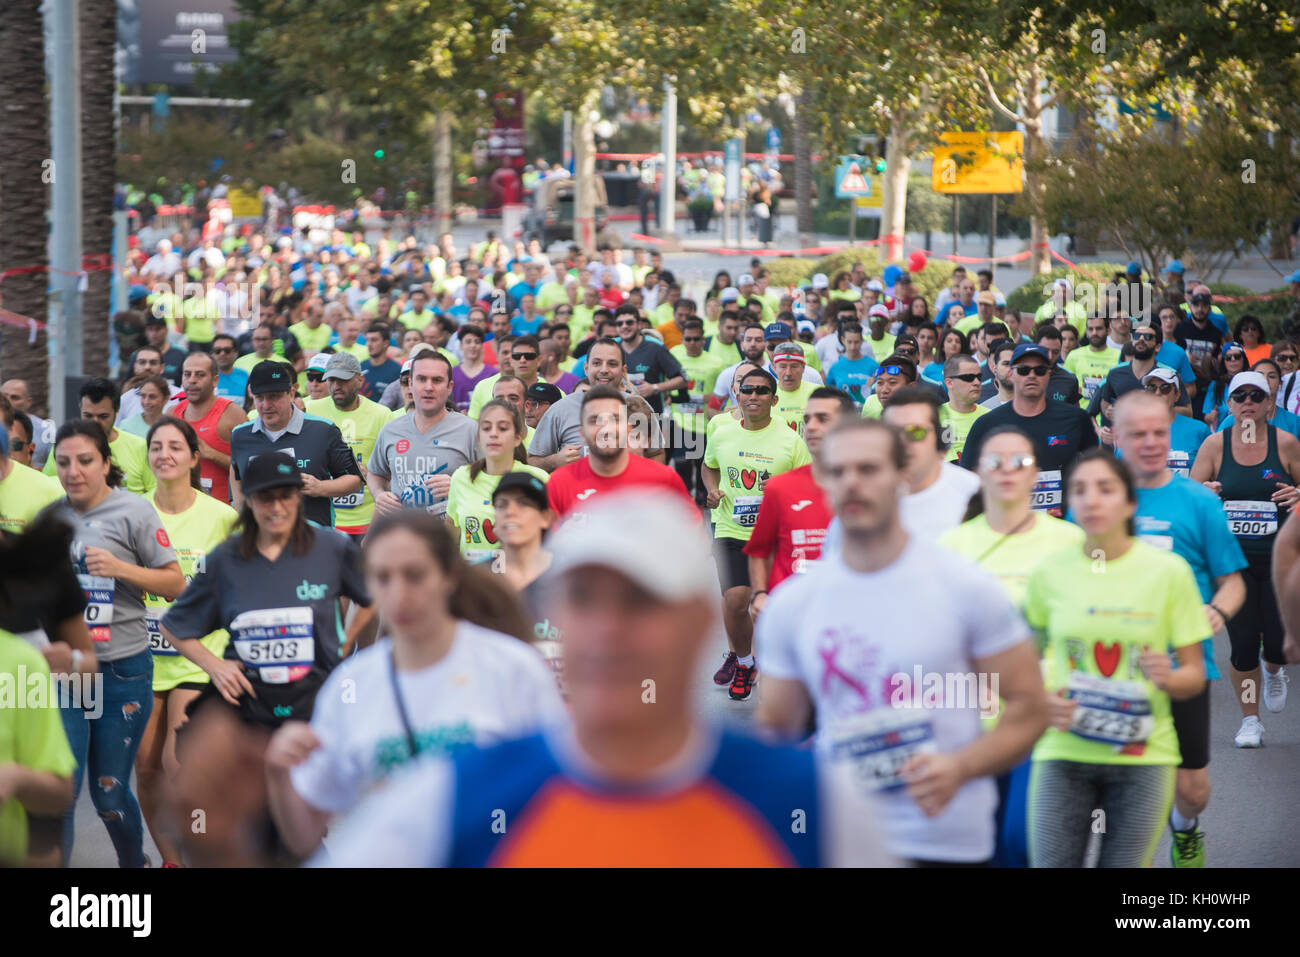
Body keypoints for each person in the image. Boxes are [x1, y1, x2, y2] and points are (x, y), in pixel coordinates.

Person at [314, 490, 894, 867]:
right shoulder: (453, 798)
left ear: (699, 621)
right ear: (556, 613)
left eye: (641, 601)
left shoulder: (816, 804)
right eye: (583, 598)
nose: (607, 629)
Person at [755, 417, 1047, 865]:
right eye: (838, 471)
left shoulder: (965, 586)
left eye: (869, 469)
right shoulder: (792, 604)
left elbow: (1030, 706)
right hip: (842, 844)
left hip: (948, 843)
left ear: (902, 477)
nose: (852, 482)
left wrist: (961, 766)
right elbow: (776, 735)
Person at [263, 510, 562, 858]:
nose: (399, 594)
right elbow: (307, 836)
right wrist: (279, 774)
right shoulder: (351, 686)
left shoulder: (512, 670)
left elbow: (559, 792)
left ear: (449, 575)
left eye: (414, 576)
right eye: (383, 578)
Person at [157, 452, 370, 865]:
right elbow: (174, 625)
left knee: (297, 823)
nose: (277, 507)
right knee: (236, 814)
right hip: (249, 709)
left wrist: (346, 645)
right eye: (265, 498)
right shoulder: (227, 558)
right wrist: (215, 666)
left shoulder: (331, 546)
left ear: (298, 495)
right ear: (249, 501)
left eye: (286, 496)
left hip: (311, 708)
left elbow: (376, 596)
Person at [1025, 451, 1209, 867]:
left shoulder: (1169, 572)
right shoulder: (1048, 573)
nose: (1091, 500)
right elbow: (1026, 662)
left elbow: (1195, 675)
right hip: (1063, 752)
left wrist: (1169, 678)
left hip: (1142, 757)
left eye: (1105, 489)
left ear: (1129, 502)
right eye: (1079, 490)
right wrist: (1041, 697)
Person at [1111, 391, 1246, 867]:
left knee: (1192, 790)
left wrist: (1219, 613)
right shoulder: (1096, 496)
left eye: (1159, 433)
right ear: (1115, 436)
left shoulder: (1197, 501)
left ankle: (1184, 828)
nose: (1150, 443)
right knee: (1127, 788)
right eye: (1137, 434)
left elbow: (1232, 582)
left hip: (1184, 664)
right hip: (1111, 667)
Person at [939, 425, 1084, 867]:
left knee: (1025, 839)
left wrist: (1076, 688)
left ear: (1037, 474)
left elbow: (1086, 627)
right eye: (994, 462)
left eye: (1019, 462)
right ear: (978, 472)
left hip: (1042, 719)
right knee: (984, 844)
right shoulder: (952, 547)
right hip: (970, 723)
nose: (1007, 471)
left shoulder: (1070, 542)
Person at [50, 420, 186, 866]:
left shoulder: (134, 512)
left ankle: (135, 862)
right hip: (67, 672)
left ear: (107, 464)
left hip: (121, 671)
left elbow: (175, 584)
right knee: (62, 791)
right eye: (64, 461)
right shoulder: (50, 518)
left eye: (85, 461)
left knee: (107, 792)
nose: (73, 471)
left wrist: (120, 568)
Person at [136, 416, 239, 868]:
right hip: (138, 657)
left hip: (199, 658)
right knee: (146, 768)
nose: (164, 455)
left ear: (195, 457)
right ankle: (171, 860)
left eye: (175, 447)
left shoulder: (221, 517)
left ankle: (202, 849)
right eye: (156, 446)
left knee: (181, 766)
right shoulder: (129, 510)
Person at [1190, 370, 1300, 748]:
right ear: (1229, 405)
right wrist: (1206, 492)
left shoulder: (1285, 443)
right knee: (1241, 646)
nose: (1248, 403)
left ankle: (1274, 671)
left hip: (1278, 562)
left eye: (1256, 396)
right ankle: (1250, 720)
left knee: (1275, 643)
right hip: (1232, 565)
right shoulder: (1214, 446)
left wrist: (1298, 494)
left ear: (1270, 404)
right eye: (1240, 397)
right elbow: (1192, 497)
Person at [703, 368, 812, 701]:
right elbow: (709, 465)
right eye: (747, 389)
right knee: (735, 601)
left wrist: (780, 489)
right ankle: (745, 661)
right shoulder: (722, 433)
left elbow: (807, 483)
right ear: (738, 395)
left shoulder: (790, 440)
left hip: (774, 533)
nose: (753, 396)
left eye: (762, 391)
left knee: (769, 607)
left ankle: (778, 665)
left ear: (774, 399)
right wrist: (711, 490)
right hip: (730, 527)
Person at [961, 344, 1099, 517]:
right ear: (1011, 374)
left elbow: (1097, 468)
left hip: (1062, 524)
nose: (1032, 375)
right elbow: (968, 479)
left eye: (1040, 370)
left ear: (1049, 374)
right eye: (1024, 370)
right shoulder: (987, 424)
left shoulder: (1075, 418)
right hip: (1007, 525)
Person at [745, 388, 852, 610]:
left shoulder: (874, 489)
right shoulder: (780, 487)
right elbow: (759, 550)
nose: (811, 426)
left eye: (823, 419)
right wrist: (760, 595)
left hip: (844, 611)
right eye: (807, 419)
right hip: (788, 611)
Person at [228, 361, 363, 527]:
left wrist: (321, 487)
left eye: (274, 397)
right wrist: (241, 513)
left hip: (312, 540)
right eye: (260, 398)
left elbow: (356, 480)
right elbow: (236, 474)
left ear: (291, 393)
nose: (266, 405)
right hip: (260, 541)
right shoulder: (240, 435)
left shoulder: (323, 430)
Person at [547, 386, 692, 519]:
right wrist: (562, 537)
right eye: (594, 421)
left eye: (615, 419)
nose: (606, 429)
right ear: (582, 433)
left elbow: (692, 535)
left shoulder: (664, 479)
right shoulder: (559, 483)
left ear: (628, 427)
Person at [367, 352, 480, 518]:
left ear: (449, 387)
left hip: (451, 539)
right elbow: (375, 473)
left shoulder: (471, 430)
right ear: (411, 384)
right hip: (401, 535)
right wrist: (379, 495)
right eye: (421, 379)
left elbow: (493, 482)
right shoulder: (390, 429)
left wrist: (460, 486)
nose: (428, 387)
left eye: (437, 380)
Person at [303, 353, 392, 541]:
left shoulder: (381, 415)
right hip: (322, 519)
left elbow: (393, 471)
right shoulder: (308, 409)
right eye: (331, 380)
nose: (336, 387)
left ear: (359, 379)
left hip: (365, 520)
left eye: (343, 380)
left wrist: (370, 473)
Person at [447, 399, 549, 563]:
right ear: (479, 437)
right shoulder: (461, 477)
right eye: (486, 428)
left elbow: (551, 536)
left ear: (517, 438)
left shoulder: (538, 479)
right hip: (477, 581)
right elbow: (451, 535)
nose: (493, 434)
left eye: (502, 428)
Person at [45, 378, 156, 497]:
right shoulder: (64, 446)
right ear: (80, 408)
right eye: (88, 415)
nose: (95, 423)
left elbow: (155, 492)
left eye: (103, 416)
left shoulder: (140, 447)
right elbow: (47, 489)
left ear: (117, 410)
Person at [172, 351, 246, 502]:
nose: (192, 380)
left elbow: (249, 468)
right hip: (182, 509)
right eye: (187, 374)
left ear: (215, 380)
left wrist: (211, 454)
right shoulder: (172, 414)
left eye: (200, 375)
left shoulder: (232, 414)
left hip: (223, 511)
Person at [1139, 367, 1210, 475]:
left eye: (1165, 388)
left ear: (1177, 395)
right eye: (1151, 388)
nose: (1157, 393)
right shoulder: (1132, 431)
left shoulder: (1199, 430)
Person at [940, 355, 988, 463]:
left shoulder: (990, 417)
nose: (976, 382)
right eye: (968, 377)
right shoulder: (937, 417)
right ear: (949, 383)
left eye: (979, 377)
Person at [1064, 316, 1121, 407]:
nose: (1094, 333)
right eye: (1090, 329)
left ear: (1108, 331)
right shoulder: (1074, 355)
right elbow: (1065, 387)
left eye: (1099, 329)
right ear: (1086, 332)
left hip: (1108, 417)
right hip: (1080, 416)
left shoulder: (1119, 356)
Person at [824, 321, 879, 407]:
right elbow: (828, 395)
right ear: (843, 340)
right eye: (849, 342)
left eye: (856, 342)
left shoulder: (873, 366)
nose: (852, 347)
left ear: (862, 341)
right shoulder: (835, 368)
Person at [1202, 342, 1249, 431]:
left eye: (1237, 356)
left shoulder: (1251, 381)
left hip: (1247, 432)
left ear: (1243, 359)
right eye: (1228, 358)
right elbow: (1206, 416)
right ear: (1224, 362)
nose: (1233, 360)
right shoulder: (1215, 385)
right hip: (1222, 434)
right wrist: (1211, 416)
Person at [118, 375, 172, 440]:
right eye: (143, 396)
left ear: (166, 399)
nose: (146, 402)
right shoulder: (127, 426)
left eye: (152, 397)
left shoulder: (172, 427)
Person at [361, 322, 403, 401]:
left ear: (385, 343)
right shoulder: (361, 367)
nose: (369, 344)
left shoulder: (397, 371)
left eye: (374, 340)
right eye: (367, 340)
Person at [210, 334, 250, 402]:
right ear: (212, 354)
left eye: (227, 350)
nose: (222, 354)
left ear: (235, 353)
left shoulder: (245, 376)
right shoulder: (205, 377)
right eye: (217, 350)